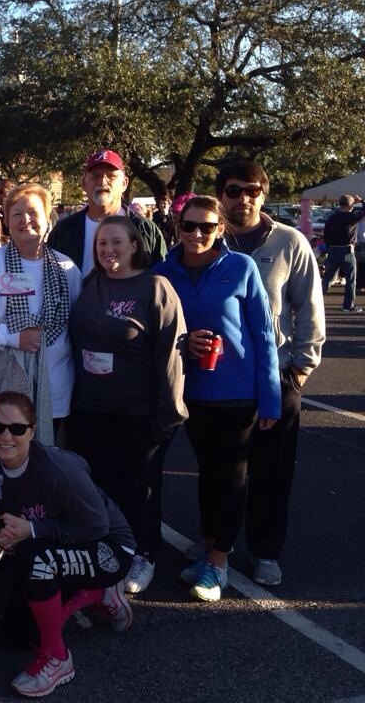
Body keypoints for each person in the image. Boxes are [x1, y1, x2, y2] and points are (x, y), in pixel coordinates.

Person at [155, 195, 280, 601]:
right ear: (178, 227)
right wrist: (184, 341)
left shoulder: (241, 267)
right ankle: (210, 546)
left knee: (230, 477)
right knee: (208, 474)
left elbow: (263, 334)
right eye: (189, 226)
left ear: (220, 229)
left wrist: (271, 397)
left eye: (207, 227)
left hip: (237, 394)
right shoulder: (163, 272)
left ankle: (219, 562)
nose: (197, 234)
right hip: (190, 393)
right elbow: (157, 329)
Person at [215, 160, 325, 586]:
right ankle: (216, 542)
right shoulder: (206, 238)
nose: (243, 198)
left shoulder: (289, 242)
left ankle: (265, 550)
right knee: (222, 470)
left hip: (276, 376)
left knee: (272, 471)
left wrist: (300, 370)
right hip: (220, 379)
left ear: (263, 194)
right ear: (221, 195)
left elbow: (310, 308)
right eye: (234, 190)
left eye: (253, 190)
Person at [0, 391, 134, 699]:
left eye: (17, 428)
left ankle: (58, 658)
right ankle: (94, 594)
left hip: (110, 548)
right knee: (17, 635)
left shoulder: (57, 471)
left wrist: (31, 529)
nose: (6, 437)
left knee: (35, 558)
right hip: (59, 547)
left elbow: (97, 527)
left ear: (33, 430)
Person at [67, 216, 187, 593]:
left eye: (117, 242)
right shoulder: (91, 283)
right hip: (91, 408)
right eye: (102, 243)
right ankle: (111, 549)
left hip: (138, 411)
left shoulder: (155, 287)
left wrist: (170, 413)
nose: (108, 250)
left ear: (135, 245)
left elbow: (172, 356)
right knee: (101, 485)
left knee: (140, 489)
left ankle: (144, 554)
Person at [0, 183, 81, 445]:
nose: (26, 219)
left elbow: (78, 324)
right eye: (17, 214)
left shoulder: (67, 268)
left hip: (52, 390)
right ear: (7, 222)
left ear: (48, 220)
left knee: (44, 461)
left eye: (34, 213)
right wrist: (13, 338)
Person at [48, 150, 166, 275]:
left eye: (111, 176)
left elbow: (162, 276)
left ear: (124, 183)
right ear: (84, 183)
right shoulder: (63, 231)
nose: (102, 182)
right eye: (95, 176)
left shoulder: (145, 230)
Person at [321, 194, 365, 312]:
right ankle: (348, 306)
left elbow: (326, 234)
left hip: (332, 250)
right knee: (350, 280)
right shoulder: (351, 217)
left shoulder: (332, 217)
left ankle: (314, 301)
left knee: (328, 279)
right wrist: (361, 201)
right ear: (350, 205)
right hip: (346, 251)